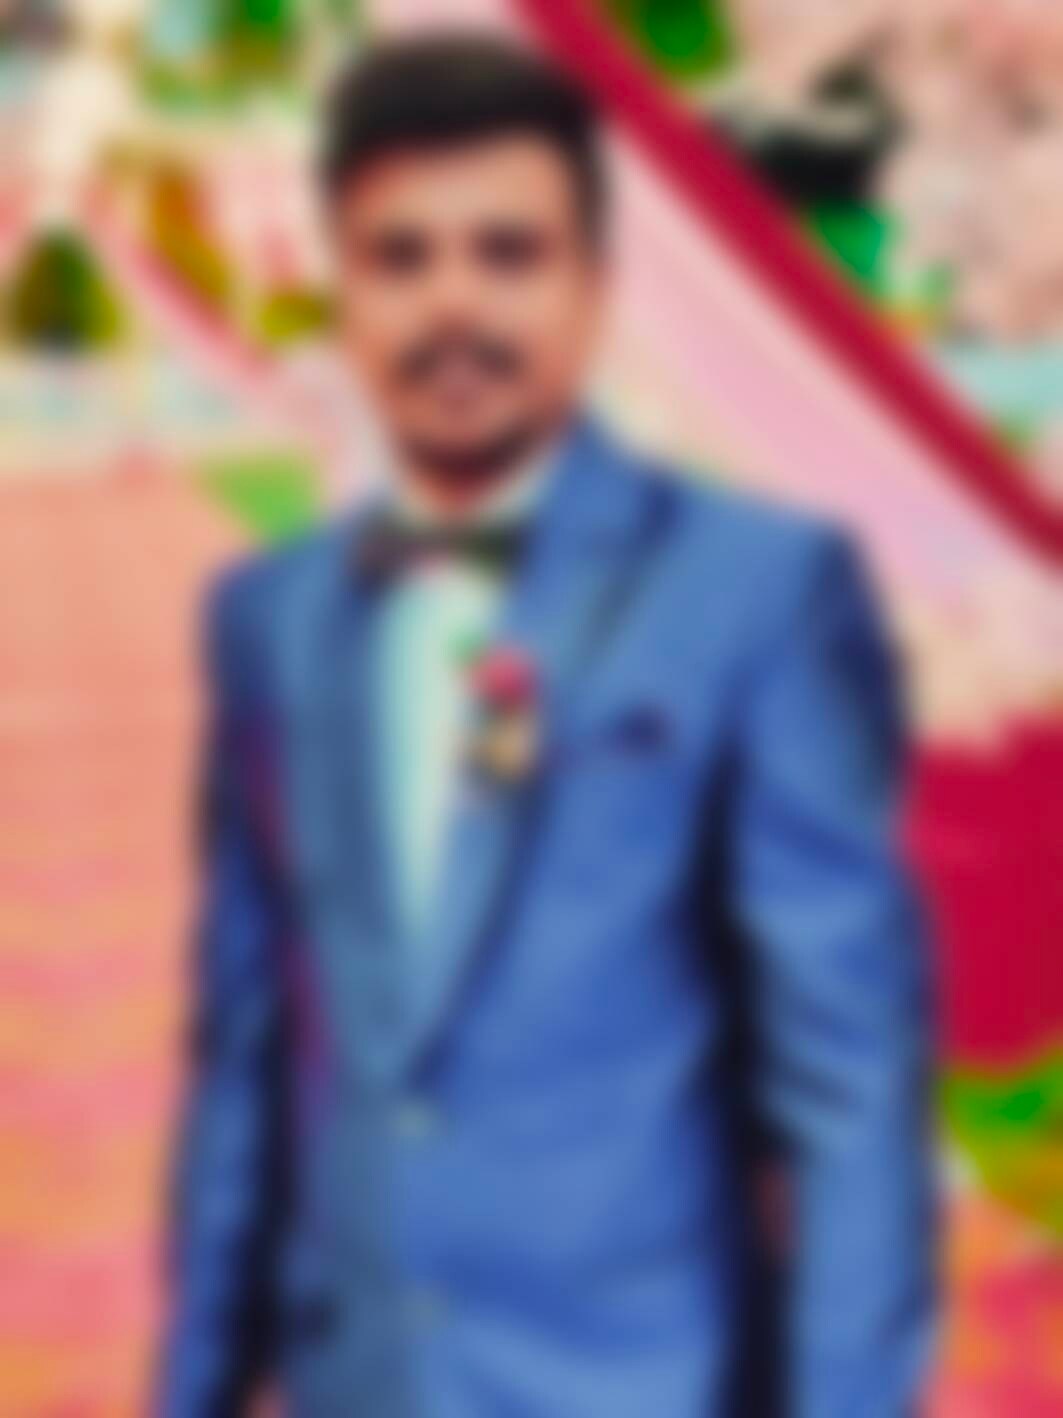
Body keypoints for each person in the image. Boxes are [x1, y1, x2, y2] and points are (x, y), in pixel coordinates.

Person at [158, 34, 935, 1418]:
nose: (453, 304)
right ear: (342, 289)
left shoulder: (756, 593)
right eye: (401, 258)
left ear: (593, 286)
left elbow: (850, 1090)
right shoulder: (270, 621)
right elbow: (247, 1058)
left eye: (508, 254)